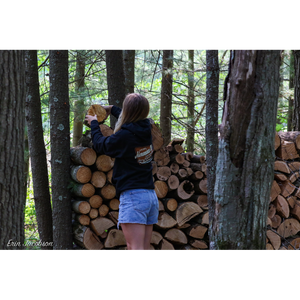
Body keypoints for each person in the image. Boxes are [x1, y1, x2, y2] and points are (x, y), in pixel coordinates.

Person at [85, 93, 159, 253]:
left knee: (135, 249)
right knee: (144, 249)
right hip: (150, 196)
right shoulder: (146, 128)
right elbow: (130, 117)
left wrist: (94, 124)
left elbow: (101, 145)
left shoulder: (125, 136)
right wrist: (111, 109)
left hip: (134, 198)